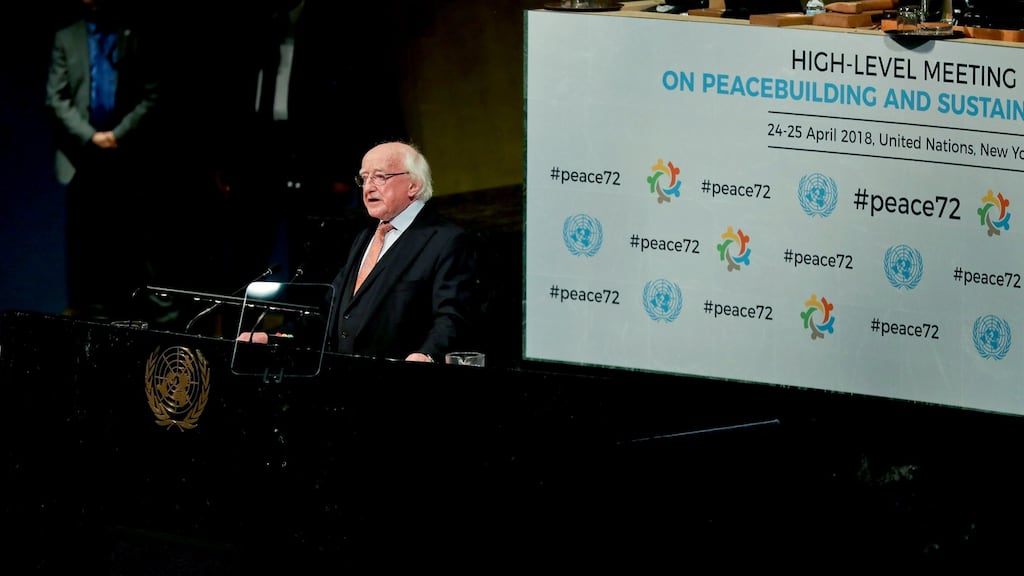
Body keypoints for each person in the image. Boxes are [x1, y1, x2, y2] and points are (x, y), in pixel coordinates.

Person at [240, 141, 481, 363]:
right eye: (364, 178)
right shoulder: (365, 237)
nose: (368, 188)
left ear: (413, 185)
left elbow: (452, 317)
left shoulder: (446, 240)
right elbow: (331, 313)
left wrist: (428, 355)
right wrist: (278, 338)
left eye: (380, 177)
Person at [44, 0, 159, 319]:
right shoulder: (67, 37)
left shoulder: (133, 35)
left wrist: (118, 135)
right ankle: (85, 316)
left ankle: (124, 317)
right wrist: (91, 137)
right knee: (84, 247)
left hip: (125, 156)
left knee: (126, 247)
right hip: (81, 158)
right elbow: (56, 98)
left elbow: (152, 93)